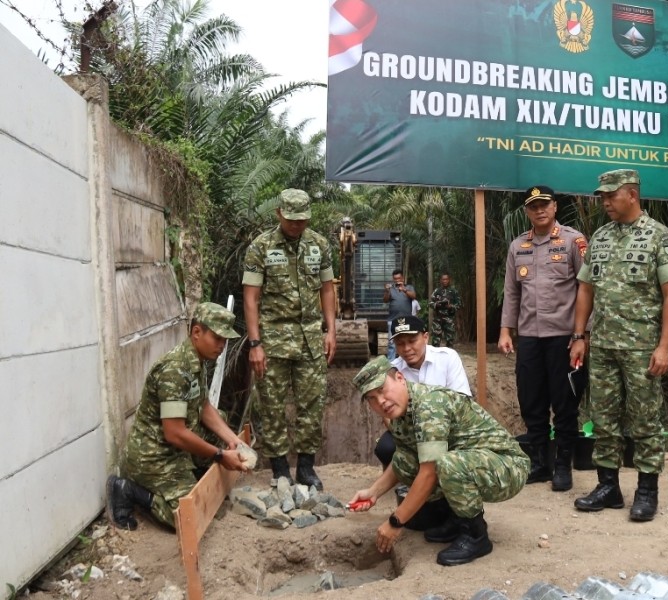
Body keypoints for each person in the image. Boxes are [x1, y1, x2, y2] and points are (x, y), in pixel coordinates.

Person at [569, 169, 668, 522]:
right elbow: (586, 290)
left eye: (610, 196)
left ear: (632, 194)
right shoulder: (600, 237)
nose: (605, 203)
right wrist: (579, 337)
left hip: (641, 347)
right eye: (602, 197)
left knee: (645, 420)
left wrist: (664, 346)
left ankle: (647, 490)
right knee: (602, 418)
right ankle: (609, 486)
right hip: (603, 344)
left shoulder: (659, 237)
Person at [348, 356, 529, 566]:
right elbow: (403, 458)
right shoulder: (401, 412)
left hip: (508, 466)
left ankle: (476, 535)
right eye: (371, 398)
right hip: (474, 461)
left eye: (382, 389)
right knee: (407, 461)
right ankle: (456, 519)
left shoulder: (429, 405)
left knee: (446, 465)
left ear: (400, 378)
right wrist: (373, 492)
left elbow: (429, 472)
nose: (380, 401)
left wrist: (395, 521)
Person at [106, 303, 249, 530]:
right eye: (217, 338)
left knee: (219, 421)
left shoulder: (196, 360)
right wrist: (221, 455)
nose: (222, 346)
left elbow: (203, 405)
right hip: (154, 455)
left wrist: (233, 439)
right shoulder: (175, 369)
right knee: (190, 519)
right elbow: (174, 433)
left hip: (176, 448)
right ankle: (128, 490)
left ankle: (193, 475)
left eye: (225, 340)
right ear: (196, 333)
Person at [243, 188, 337, 489]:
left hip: (310, 337)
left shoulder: (319, 244)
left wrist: (330, 330)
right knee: (272, 406)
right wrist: (255, 344)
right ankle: (280, 469)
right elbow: (250, 298)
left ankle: (306, 468)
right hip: (274, 339)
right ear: (279, 214)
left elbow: (326, 289)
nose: (297, 225)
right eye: (292, 220)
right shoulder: (260, 247)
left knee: (312, 404)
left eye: (303, 220)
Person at [498, 185, 588, 493]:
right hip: (530, 338)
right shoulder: (517, 247)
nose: (539, 210)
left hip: (563, 337)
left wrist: (581, 336)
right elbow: (511, 292)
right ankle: (540, 462)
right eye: (533, 206)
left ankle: (563, 465)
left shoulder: (573, 241)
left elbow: (587, 291)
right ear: (527, 210)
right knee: (531, 401)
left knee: (564, 403)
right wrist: (505, 330)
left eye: (544, 204)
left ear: (554, 207)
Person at [373, 315, 473, 530]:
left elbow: (462, 403)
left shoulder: (448, 358)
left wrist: (430, 436)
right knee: (385, 447)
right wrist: (413, 437)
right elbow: (388, 416)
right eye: (400, 343)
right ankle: (415, 491)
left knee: (441, 457)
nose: (407, 348)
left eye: (412, 341)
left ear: (425, 337)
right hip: (409, 434)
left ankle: (450, 502)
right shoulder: (393, 371)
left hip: (449, 432)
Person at [383, 269, 416, 359]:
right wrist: (386, 290)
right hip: (393, 320)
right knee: (391, 343)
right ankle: (391, 364)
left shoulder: (408, 287)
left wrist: (404, 290)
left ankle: (406, 361)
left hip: (406, 320)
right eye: (395, 278)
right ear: (393, 279)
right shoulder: (391, 289)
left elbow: (413, 296)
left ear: (403, 278)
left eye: (399, 278)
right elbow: (385, 300)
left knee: (407, 341)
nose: (397, 280)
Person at [430, 272, 461, 348]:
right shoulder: (437, 291)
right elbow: (430, 303)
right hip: (438, 319)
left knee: (450, 340)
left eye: (446, 279)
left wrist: (451, 306)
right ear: (441, 280)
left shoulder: (454, 291)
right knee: (435, 341)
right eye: (443, 279)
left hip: (449, 319)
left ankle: (449, 358)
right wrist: (436, 304)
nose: (445, 281)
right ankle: (435, 357)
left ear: (449, 280)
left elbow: (459, 304)